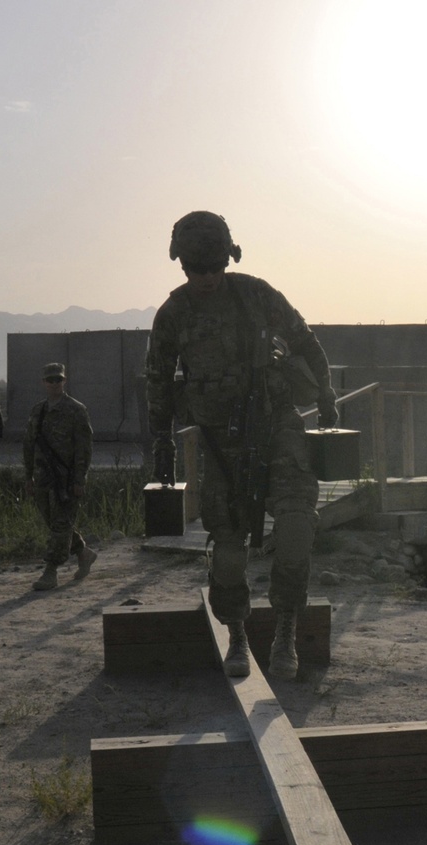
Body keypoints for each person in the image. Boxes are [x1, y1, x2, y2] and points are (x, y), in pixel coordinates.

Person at [144, 210, 338, 680]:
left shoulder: (257, 294)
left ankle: (286, 629)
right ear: (182, 265)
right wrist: (161, 440)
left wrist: (327, 393)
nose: (206, 278)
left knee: (295, 527)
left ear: (227, 259)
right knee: (229, 551)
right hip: (219, 442)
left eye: (213, 267)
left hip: (277, 424)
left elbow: (306, 340)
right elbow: (158, 380)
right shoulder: (173, 314)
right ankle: (238, 636)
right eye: (196, 269)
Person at [22, 362, 96, 591]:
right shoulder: (38, 410)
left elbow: (84, 448)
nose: (54, 383)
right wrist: (28, 476)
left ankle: (50, 571)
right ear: (43, 382)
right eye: (50, 380)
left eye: (58, 379)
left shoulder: (76, 410)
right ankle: (83, 552)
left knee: (61, 524)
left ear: (65, 381)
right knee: (55, 523)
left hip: (66, 479)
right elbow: (29, 444)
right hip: (43, 477)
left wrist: (79, 479)